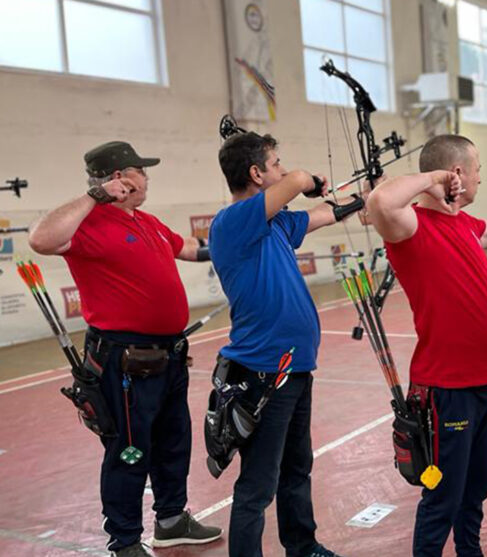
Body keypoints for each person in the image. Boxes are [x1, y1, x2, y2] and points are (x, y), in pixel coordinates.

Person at [28, 141, 221, 557]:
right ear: (120, 178)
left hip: (168, 355)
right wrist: (95, 196)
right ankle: (125, 540)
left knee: (174, 441)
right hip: (125, 360)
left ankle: (171, 520)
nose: (147, 178)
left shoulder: (147, 222)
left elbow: (188, 248)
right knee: (130, 451)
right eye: (141, 170)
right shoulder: (87, 224)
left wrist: (238, 247)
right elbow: (41, 239)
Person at [366, 134, 487, 557]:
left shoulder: (466, 225)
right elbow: (380, 202)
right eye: (478, 170)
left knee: (475, 485)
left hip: (484, 382)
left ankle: (471, 551)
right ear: (457, 174)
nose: (481, 179)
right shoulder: (409, 224)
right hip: (446, 387)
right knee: (443, 495)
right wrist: (432, 179)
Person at [209, 130, 361, 557]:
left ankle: (303, 545)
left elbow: (324, 216)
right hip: (262, 372)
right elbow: (297, 182)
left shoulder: (274, 224)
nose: (281, 168)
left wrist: (364, 196)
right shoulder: (233, 222)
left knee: (297, 467)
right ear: (257, 174)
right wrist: (309, 178)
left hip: (294, 369)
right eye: (274, 163)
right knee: (258, 483)